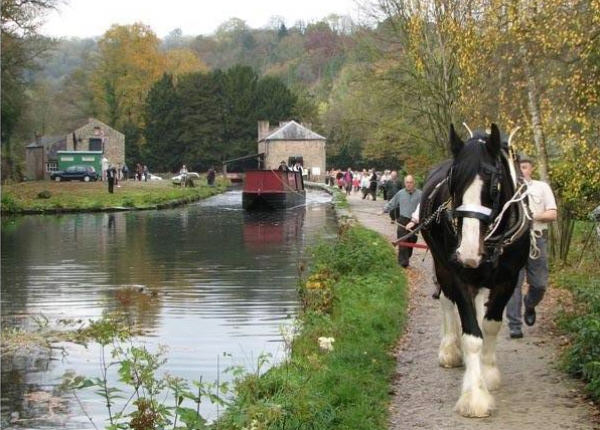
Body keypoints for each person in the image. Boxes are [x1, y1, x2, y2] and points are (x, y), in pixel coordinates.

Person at [506, 155, 557, 339]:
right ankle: (514, 325)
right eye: (520, 167)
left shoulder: (542, 187)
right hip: (514, 241)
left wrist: (531, 217)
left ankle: (530, 304)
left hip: (537, 238)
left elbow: (552, 214)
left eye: (525, 167)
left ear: (531, 168)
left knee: (539, 284)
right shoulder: (509, 189)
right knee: (513, 284)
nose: (522, 170)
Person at [383, 175, 422, 267]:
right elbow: (392, 203)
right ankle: (402, 263)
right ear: (404, 183)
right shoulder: (400, 193)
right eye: (407, 182)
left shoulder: (420, 194)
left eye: (410, 182)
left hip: (415, 222)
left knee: (412, 241)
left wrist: (416, 221)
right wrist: (383, 210)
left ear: (414, 183)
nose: (409, 184)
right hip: (403, 220)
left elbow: (422, 208)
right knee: (402, 241)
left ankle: (406, 257)